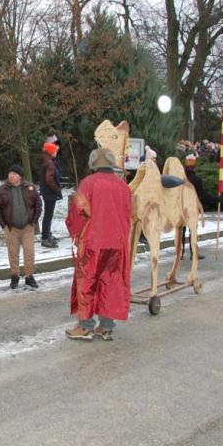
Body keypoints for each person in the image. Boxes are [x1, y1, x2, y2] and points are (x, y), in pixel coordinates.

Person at [65, 148, 132, 341]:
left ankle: (86, 327)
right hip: (117, 244)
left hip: (93, 243)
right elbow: (128, 214)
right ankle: (106, 326)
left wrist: (75, 233)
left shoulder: (88, 183)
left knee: (87, 282)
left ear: (94, 163)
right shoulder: (123, 186)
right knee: (111, 283)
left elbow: (78, 212)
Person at [0, 164, 43, 289]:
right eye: (10, 173)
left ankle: (29, 277)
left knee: (29, 253)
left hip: (27, 227)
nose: (11, 176)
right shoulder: (2, 189)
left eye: (14, 174)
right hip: (11, 228)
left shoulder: (29, 187)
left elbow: (38, 204)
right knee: (13, 254)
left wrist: (33, 222)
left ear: (20, 176)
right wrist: (4, 225)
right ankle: (14, 276)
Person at [181, 155, 218, 259]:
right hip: (192, 208)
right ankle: (193, 253)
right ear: (194, 167)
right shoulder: (196, 180)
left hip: (181, 207)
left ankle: (180, 253)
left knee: (181, 231)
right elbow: (203, 195)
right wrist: (216, 200)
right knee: (193, 231)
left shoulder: (181, 179)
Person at [38, 142, 62, 248]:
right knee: (48, 216)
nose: (56, 152)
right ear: (51, 152)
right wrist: (56, 189)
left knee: (48, 215)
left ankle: (47, 235)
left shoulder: (45, 161)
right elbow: (49, 179)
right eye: (55, 151)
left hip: (46, 192)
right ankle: (45, 238)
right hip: (50, 193)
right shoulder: (50, 163)